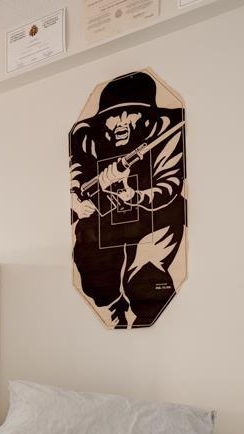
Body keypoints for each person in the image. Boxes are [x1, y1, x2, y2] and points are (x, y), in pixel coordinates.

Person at [69, 71, 186, 328]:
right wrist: (76, 201)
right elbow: (75, 176)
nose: (121, 122)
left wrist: (136, 195)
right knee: (97, 280)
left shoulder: (166, 133)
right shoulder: (87, 137)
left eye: (130, 114)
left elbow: (169, 186)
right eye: (113, 116)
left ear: (146, 117)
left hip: (155, 219)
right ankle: (115, 314)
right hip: (104, 222)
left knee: (145, 277)